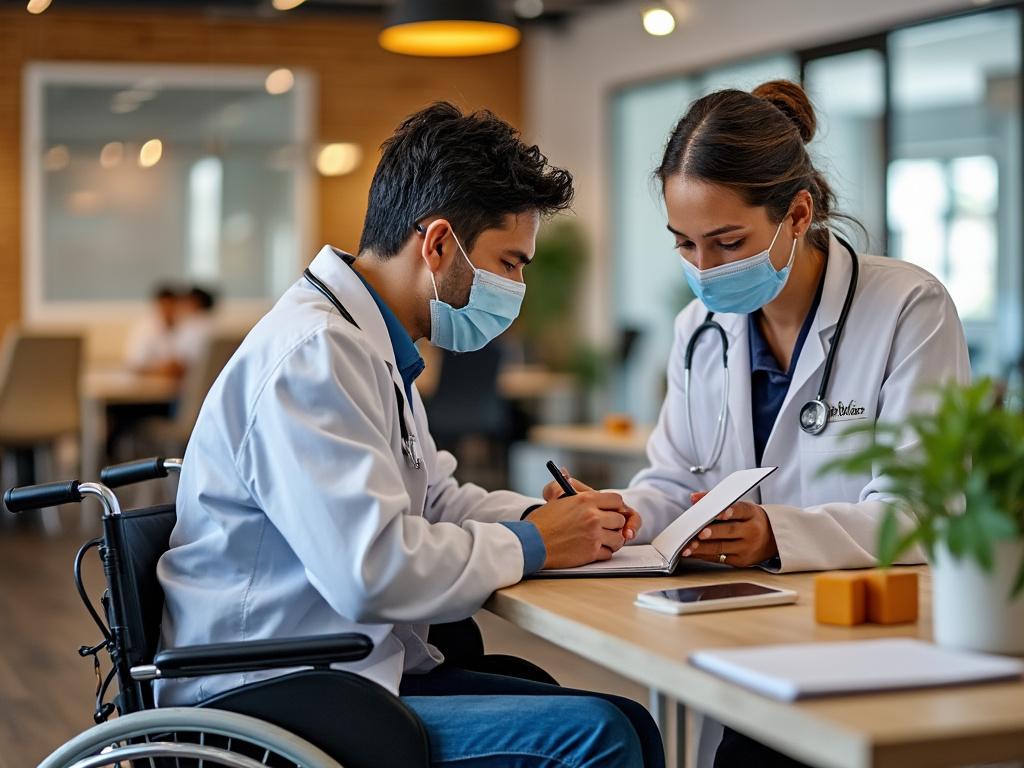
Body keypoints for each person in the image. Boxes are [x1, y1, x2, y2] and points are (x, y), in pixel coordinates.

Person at [156, 102, 662, 768]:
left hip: (340, 676)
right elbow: (373, 571)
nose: (516, 287)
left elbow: (437, 502)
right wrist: (536, 542)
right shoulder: (315, 353)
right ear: (438, 244)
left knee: (627, 722)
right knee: (598, 736)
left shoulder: (365, 343)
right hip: (268, 700)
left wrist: (550, 518)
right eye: (510, 263)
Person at [544, 80, 970, 767]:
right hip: (741, 626)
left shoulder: (907, 308)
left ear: (797, 214)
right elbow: (676, 477)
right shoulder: (696, 328)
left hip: (865, 635)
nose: (704, 270)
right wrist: (618, 511)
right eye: (684, 243)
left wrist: (778, 532)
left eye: (726, 240)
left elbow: (924, 505)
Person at [124, 284, 185, 378]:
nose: (169, 310)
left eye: (172, 306)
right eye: (165, 306)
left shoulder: (182, 326)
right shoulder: (144, 328)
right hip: (148, 383)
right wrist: (160, 369)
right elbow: (134, 364)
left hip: (174, 384)